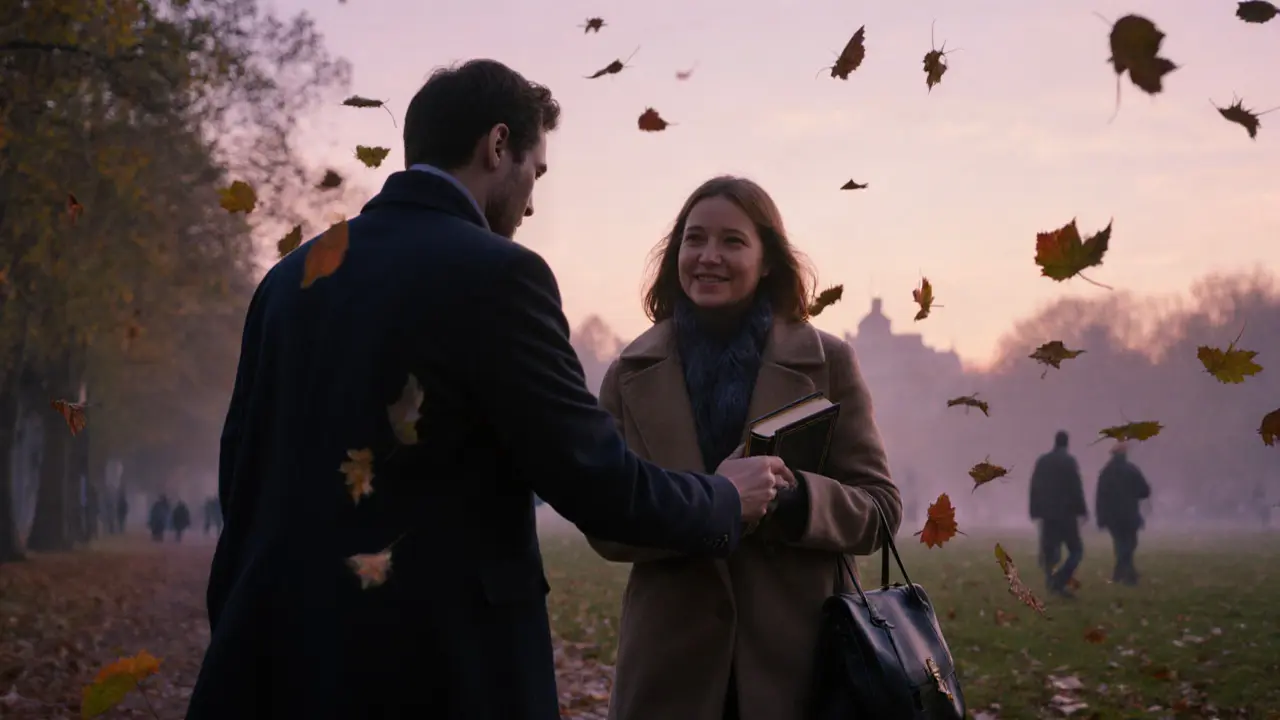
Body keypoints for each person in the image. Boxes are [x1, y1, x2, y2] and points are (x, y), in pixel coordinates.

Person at [186, 60, 791, 720]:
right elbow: (598, 482)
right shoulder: (500, 276)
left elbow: (241, 475)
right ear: (498, 146)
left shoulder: (290, 276)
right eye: (536, 172)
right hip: (437, 672)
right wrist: (725, 496)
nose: (531, 201)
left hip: (276, 659)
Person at [586, 176, 902, 720]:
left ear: (769, 260)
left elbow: (880, 509)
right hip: (668, 673)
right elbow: (604, 520)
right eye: (694, 239)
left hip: (798, 672)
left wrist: (794, 498)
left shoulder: (829, 363)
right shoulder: (627, 373)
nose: (709, 257)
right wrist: (712, 502)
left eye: (732, 241)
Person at [1029, 430, 1087, 598]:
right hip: (1067, 515)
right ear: (1067, 443)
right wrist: (1082, 510)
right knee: (1076, 550)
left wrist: (1035, 510)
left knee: (1050, 550)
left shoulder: (1043, 462)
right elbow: (1076, 488)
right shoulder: (1069, 462)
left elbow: (1034, 488)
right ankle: (1060, 579)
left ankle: (1052, 581)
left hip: (1048, 515)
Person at [1095, 442, 1150, 586]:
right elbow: (1145, 491)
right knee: (1130, 544)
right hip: (1130, 514)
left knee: (1120, 544)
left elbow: (1100, 497)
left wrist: (1101, 517)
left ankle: (1121, 573)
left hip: (1113, 517)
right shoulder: (1132, 470)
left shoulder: (1105, 472)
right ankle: (1127, 575)